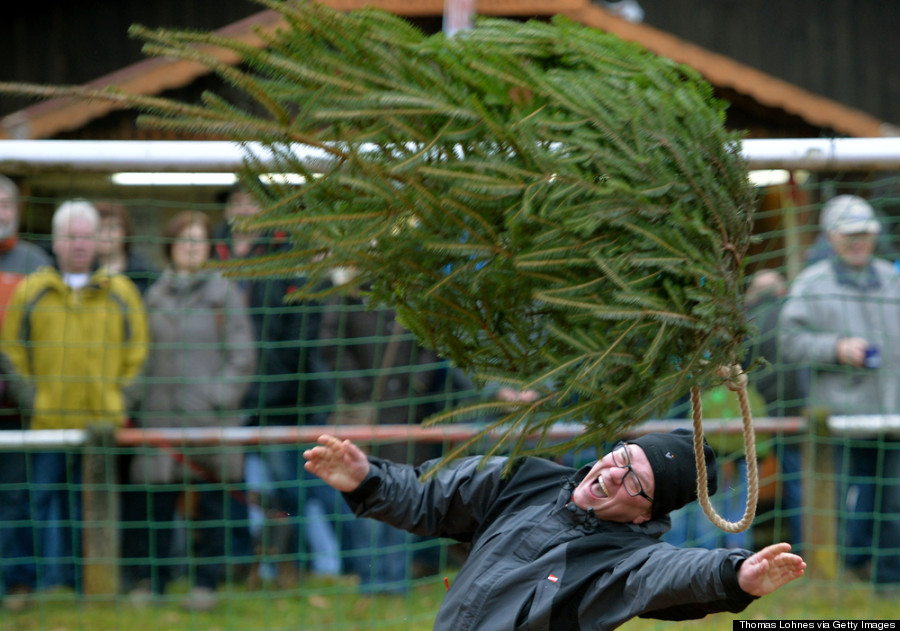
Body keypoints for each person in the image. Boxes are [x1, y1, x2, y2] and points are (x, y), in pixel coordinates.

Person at [304, 429, 806, 630]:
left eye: (634, 480)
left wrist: (735, 575)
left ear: (643, 516)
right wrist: (367, 479)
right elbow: (429, 496)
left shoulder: (626, 559)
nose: (612, 472)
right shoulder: (525, 479)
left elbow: (671, 572)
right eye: (621, 457)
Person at [0, 199, 148, 608]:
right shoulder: (33, 290)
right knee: (37, 502)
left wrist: (121, 400)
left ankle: (93, 588)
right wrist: (33, 399)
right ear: (57, 241)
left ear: (97, 241)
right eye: (71, 236)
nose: (79, 244)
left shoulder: (121, 292)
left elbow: (139, 353)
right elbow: (12, 351)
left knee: (95, 507)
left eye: (85, 236)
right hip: (47, 422)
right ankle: (25, 584)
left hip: (102, 424)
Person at [125, 211, 256, 611]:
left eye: (198, 241)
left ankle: (206, 584)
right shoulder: (153, 296)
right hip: (161, 423)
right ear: (170, 247)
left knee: (213, 509)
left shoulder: (225, 294)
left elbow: (243, 356)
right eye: (184, 240)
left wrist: (218, 397)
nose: (191, 248)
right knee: (155, 509)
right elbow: (141, 356)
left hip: (210, 423)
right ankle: (154, 582)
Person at [212, 186, 337, 584]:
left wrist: (261, 392)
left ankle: (327, 563)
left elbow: (298, 338)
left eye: (252, 202)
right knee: (251, 489)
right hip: (232, 399)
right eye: (237, 203)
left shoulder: (286, 259)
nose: (244, 209)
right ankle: (266, 567)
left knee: (296, 486)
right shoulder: (213, 256)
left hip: (285, 400)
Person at [319, 275, 475, 592]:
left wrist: (415, 384)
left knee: (402, 490)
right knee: (362, 492)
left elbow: (429, 343)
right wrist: (359, 388)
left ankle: (395, 579)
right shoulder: (347, 295)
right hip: (363, 411)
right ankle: (371, 578)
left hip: (406, 413)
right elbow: (330, 344)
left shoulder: (412, 293)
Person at [780, 194, 900, 589]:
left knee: (894, 502)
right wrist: (836, 348)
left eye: (865, 232)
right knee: (851, 505)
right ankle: (848, 575)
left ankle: (887, 580)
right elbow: (789, 342)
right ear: (830, 237)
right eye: (850, 234)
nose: (859, 240)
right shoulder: (811, 285)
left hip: (894, 416)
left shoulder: (893, 277)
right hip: (841, 422)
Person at [0, 175, 53, 612]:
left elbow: (47, 336)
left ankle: (18, 582)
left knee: (18, 497)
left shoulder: (35, 261)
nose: (0, 211)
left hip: (17, 408)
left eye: (5, 204)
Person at [744, 269, 807, 550]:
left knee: (742, 483)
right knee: (798, 483)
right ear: (782, 291)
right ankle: (805, 547)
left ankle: (734, 548)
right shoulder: (796, 318)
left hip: (752, 415)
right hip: (795, 412)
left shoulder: (745, 322)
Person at [95, 202, 160, 295]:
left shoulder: (146, 273)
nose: (106, 234)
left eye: (112, 227)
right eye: (100, 228)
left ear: (125, 231)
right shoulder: (84, 271)